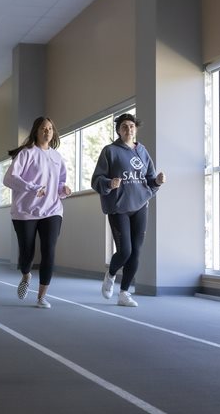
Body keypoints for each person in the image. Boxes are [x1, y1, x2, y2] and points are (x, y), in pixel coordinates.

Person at [91, 113, 166, 307]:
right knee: (125, 251)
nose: (128, 129)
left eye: (131, 126)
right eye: (124, 126)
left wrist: (156, 181)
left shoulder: (142, 151)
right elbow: (96, 180)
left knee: (136, 252)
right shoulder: (110, 151)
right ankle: (111, 274)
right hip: (119, 208)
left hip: (140, 206)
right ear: (118, 130)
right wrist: (110, 182)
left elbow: (149, 179)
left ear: (136, 129)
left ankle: (124, 293)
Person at [3, 116, 72, 309]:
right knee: (27, 253)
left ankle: (41, 296)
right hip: (25, 211)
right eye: (43, 128)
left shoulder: (57, 157)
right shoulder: (26, 153)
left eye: (50, 128)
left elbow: (59, 184)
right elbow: (9, 179)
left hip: (52, 210)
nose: (47, 131)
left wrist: (63, 191)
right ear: (36, 131)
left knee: (49, 250)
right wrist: (32, 188)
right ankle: (26, 274)